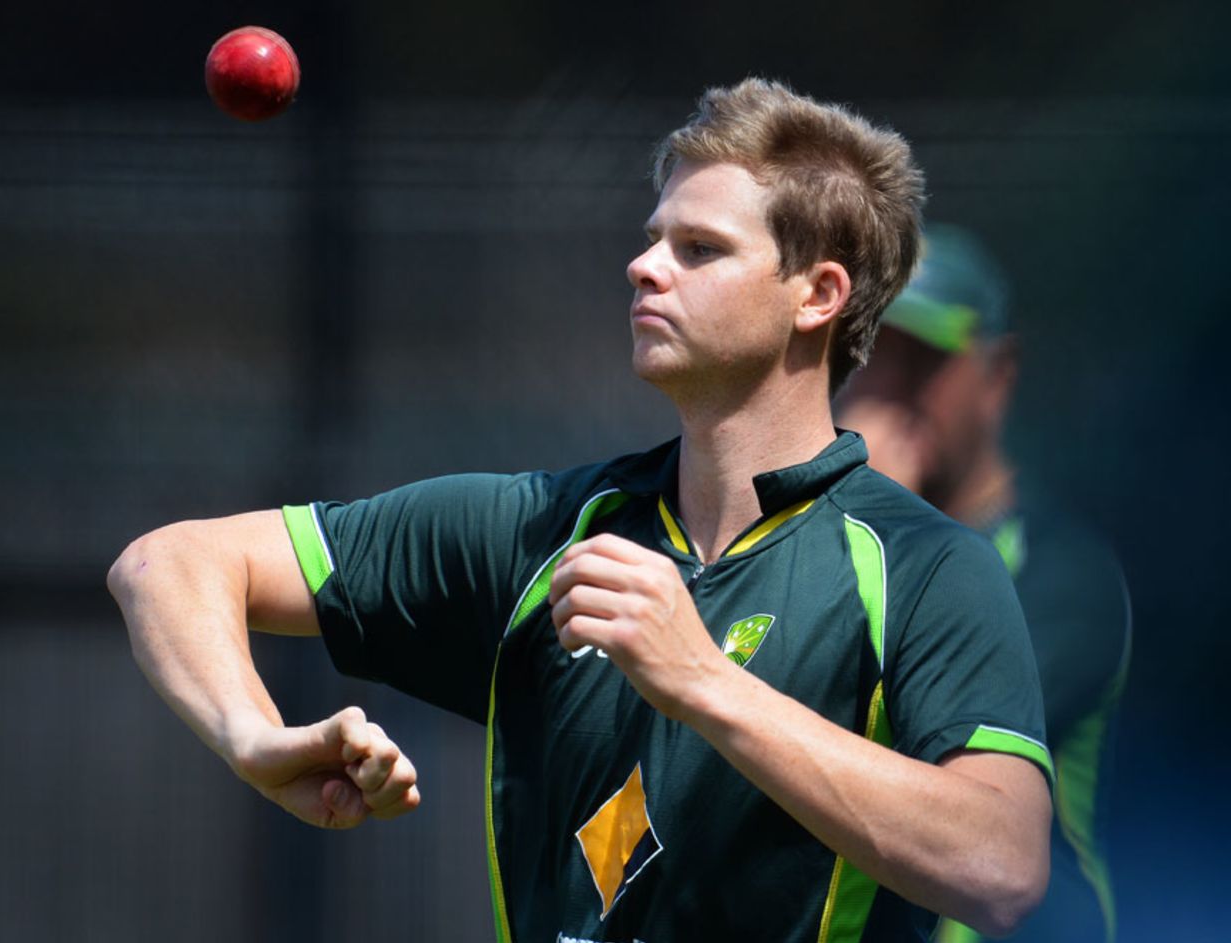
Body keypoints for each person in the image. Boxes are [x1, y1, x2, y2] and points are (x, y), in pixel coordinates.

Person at [109, 80, 1055, 942]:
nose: (645, 267)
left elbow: (1000, 865)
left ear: (818, 294)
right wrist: (254, 738)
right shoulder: (539, 531)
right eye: (652, 238)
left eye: (699, 249)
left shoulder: (927, 566)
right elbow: (168, 565)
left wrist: (703, 679)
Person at [835, 224, 1132, 943]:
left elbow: (906, 736)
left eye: (925, 360)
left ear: (998, 376)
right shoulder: (828, 528)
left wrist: (869, 518)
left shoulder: (1064, 574)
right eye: (874, 355)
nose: (892, 390)